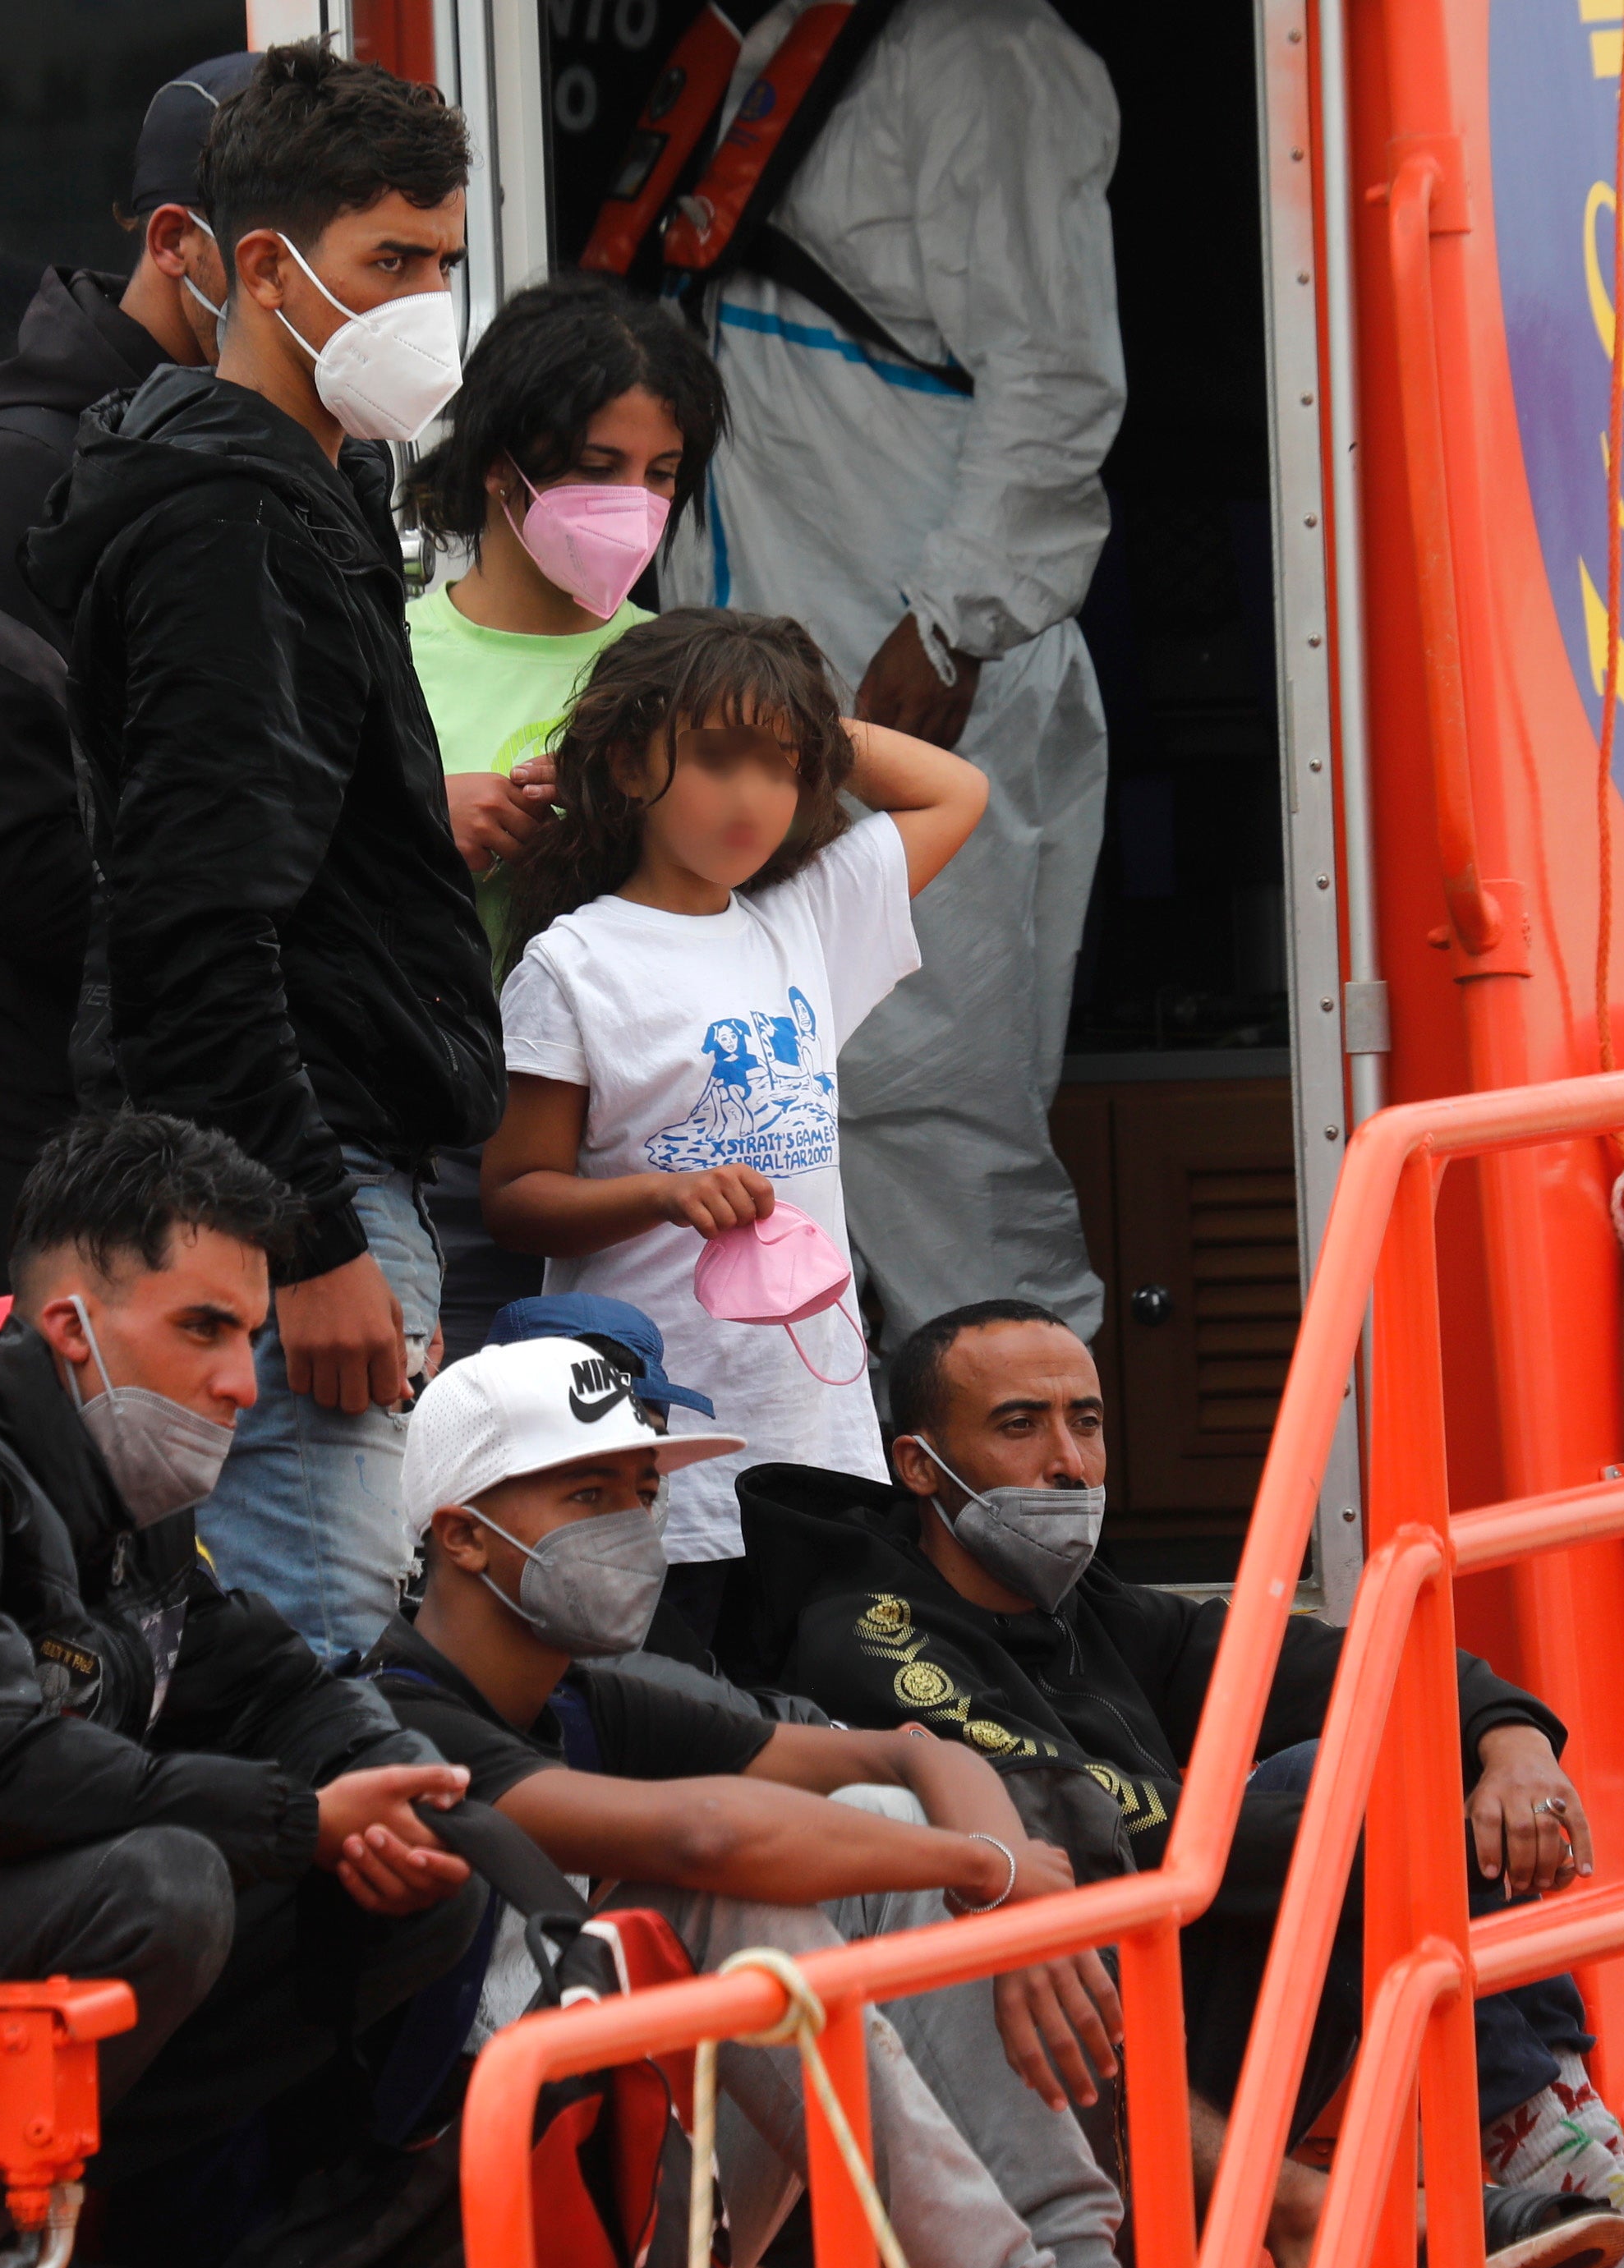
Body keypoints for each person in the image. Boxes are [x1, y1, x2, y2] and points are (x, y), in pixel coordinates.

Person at [372, 1334, 1265, 2268]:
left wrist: (1008, 1895)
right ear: (463, 1535)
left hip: (607, 2206)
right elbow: (704, 1843)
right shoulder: (391, 1724)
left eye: (645, 1492)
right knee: (744, 1896)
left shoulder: (582, 1702)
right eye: (589, 1493)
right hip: (431, 2263)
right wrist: (980, 1863)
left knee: (882, 1822)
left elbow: (918, 1753)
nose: (633, 1527)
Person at [724, 1301, 1624, 2268]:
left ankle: (1528, 2109)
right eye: (1020, 1425)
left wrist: (1512, 1746)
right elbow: (1084, 1825)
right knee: (1048, 1895)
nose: (1068, 1463)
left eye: (1088, 1421)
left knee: (1372, 1764)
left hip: (1136, 2046)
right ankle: (1302, 2205)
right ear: (921, 1466)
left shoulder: (1093, 1612)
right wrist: (1386, 1839)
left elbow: (1366, 1661)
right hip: (974, 2110)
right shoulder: (866, 1633)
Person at [24, 44, 496, 1661]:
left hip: (313, 1161)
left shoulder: (315, 482)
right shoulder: (228, 523)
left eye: (444, 259)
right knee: (309, 1658)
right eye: (390, 263)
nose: (428, 302)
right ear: (260, 268)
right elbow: (200, 922)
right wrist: (312, 1242)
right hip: (295, 1179)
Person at [0, 1110, 485, 2268]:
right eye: (204, 1329)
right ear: (70, 1327)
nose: (237, 1383)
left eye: (247, 1337)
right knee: (172, 1883)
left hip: (1, 1951)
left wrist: (373, 1783)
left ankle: (246, 2250)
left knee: (427, 1884)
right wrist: (296, 1820)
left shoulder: (130, 1495)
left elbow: (270, 1683)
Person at [656, 0, 1122, 1348]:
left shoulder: (980, 54)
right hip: (751, 704)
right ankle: (848, 1534)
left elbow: (1055, 372)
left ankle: (1025, 1523)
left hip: (914, 684)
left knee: (935, 1118)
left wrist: (947, 624)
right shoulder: (749, 52)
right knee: (764, 1121)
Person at [481, 609, 985, 1660]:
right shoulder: (573, 963)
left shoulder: (802, 921)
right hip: (656, 1442)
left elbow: (957, 789)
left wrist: (794, 716)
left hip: (819, 1442)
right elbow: (515, 1189)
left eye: (783, 765)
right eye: (715, 757)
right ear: (627, 763)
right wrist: (659, 1195)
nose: (753, 795)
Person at [0, 54, 258, 1294]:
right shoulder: (16, 482)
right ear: (182, 245)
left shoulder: (262, 453)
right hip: (69, 1161)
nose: (402, 306)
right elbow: (17, 867)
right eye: (367, 263)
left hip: (226, 1120)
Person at [406, 274, 729, 1358]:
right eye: (598, 471)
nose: (634, 503)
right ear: (499, 468)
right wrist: (413, 820)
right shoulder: (382, 658)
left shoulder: (678, 679)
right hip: (427, 1147)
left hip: (634, 1157)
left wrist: (614, 835)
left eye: (662, 475)